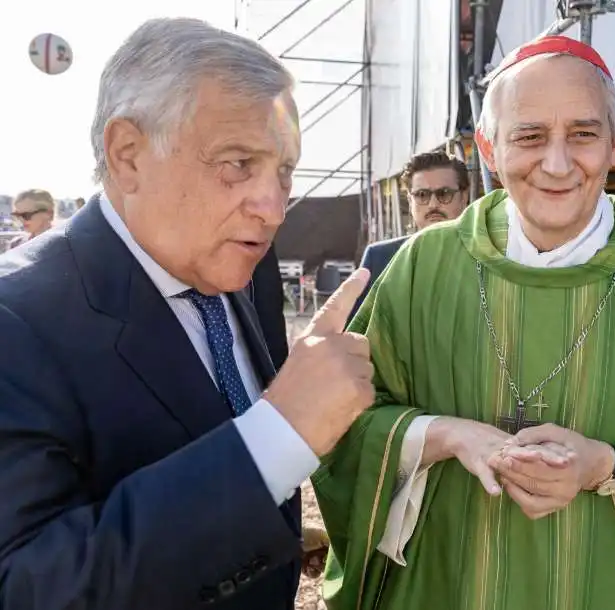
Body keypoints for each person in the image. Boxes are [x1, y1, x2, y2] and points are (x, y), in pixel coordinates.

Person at [312, 36, 615, 610]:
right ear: (488, 146)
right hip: (444, 584)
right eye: (529, 136)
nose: (557, 164)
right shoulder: (423, 267)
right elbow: (339, 431)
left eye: (583, 134)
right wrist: (439, 435)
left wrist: (609, 467)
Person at [0, 18, 374, 610]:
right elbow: (33, 586)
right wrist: (278, 437)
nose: (274, 208)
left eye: (284, 170)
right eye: (237, 164)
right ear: (128, 155)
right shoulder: (15, 320)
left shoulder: (241, 269)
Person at [351, 151, 470, 319]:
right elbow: (355, 332)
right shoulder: (380, 258)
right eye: (422, 195)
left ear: (464, 197)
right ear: (410, 200)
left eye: (444, 193)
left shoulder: (490, 257)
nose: (433, 204)